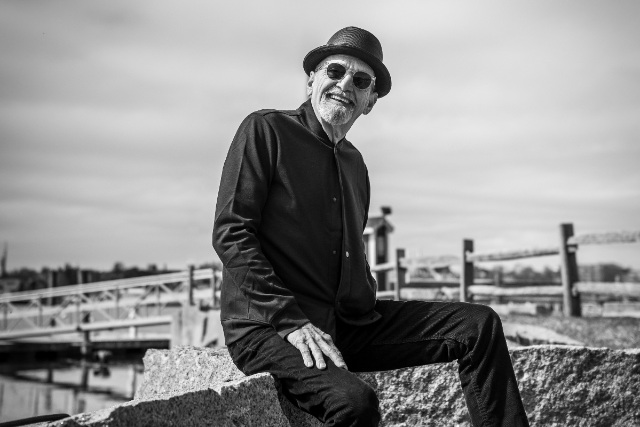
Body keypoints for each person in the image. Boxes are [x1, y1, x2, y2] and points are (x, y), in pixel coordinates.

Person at [212, 26, 530, 427]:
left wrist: (367, 298)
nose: (346, 84)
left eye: (361, 81)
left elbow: (350, 254)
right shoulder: (265, 129)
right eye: (335, 71)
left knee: (478, 326)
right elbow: (232, 231)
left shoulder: (355, 164)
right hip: (267, 327)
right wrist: (291, 321)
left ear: (370, 101)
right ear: (311, 79)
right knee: (354, 403)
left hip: (345, 323)